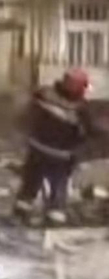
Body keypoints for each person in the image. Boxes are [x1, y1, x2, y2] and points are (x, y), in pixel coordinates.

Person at [14, 68, 95, 225]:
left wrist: (26, 135)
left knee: (30, 181)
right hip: (61, 156)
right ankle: (55, 216)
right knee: (58, 185)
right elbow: (87, 132)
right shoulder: (82, 108)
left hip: (37, 148)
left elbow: (27, 115)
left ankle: (21, 210)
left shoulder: (43, 94)